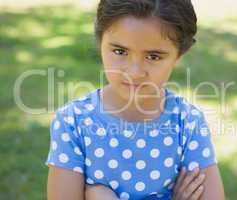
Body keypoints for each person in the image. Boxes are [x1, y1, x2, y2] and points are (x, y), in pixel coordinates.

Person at [45, 0, 225, 199]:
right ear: (100, 42)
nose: (134, 72)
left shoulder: (187, 122)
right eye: (120, 52)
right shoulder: (73, 122)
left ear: (179, 55)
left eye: (154, 56)